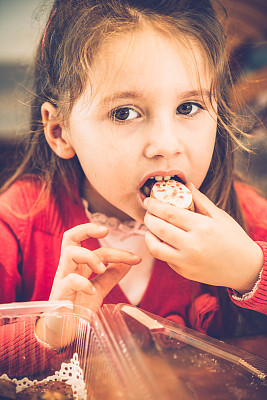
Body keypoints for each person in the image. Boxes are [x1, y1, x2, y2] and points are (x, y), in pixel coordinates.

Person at [0, 0, 267, 345]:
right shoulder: (18, 225)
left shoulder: (245, 216)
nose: (165, 145)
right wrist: (47, 333)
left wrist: (250, 271)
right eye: (125, 113)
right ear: (60, 132)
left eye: (188, 107)